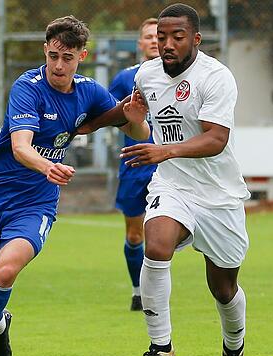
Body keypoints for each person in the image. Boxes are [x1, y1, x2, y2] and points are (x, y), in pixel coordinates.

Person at [0, 15, 149, 356]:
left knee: (5, 272)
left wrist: (135, 119)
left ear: (83, 55)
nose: (58, 66)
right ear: (44, 51)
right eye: (52, 56)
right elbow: (20, 148)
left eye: (67, 57)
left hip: (36, 203)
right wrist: (49, 164)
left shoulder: (89, 91)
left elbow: (131, 127)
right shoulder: (26, 87)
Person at [79, 3, 251, 356]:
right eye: (162, 37)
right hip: (172, 185)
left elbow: (215, 139)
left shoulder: (216, 77)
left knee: (223, 289)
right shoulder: (146, 74)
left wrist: (165, 150)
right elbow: (140, 130)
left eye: (177, 37)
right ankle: (160, 347)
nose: (168, 44)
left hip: (219, 195)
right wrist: (136, 119)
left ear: (196, 38)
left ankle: (234, 346)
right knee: (155, 246)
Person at [108, 18, 160, 312]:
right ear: (139, 43)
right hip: (135, 165)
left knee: (162, 234)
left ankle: (155, 289)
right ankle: (138, 291)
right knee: (134, 234)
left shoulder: (177, 77)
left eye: (158, 36)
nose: (154, 40)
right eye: (148, 36)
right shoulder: (124, 78)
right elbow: (109, 113)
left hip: (167, 166)